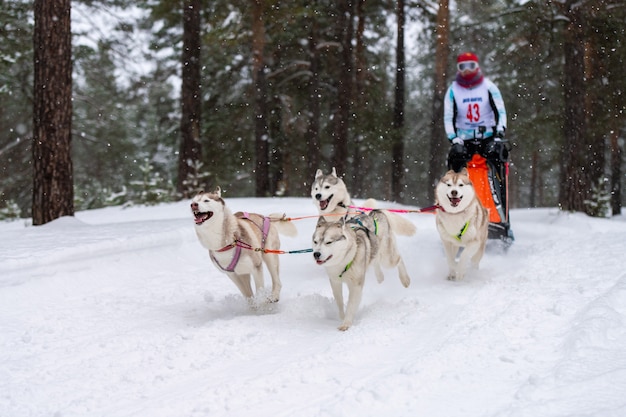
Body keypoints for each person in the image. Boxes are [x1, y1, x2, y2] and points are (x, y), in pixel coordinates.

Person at [443, 52, 508, 172]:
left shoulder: (489, 87)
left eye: (471, 65)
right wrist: (453, 138)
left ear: (477, 66)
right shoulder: (453, 90)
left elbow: (500, 111)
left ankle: (497, 188)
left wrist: (499, 133)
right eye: (463, 66)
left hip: (488, 136)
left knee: (496, 155)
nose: (467, 70)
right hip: (463, 139)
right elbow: (448, 116)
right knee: (456, 157)